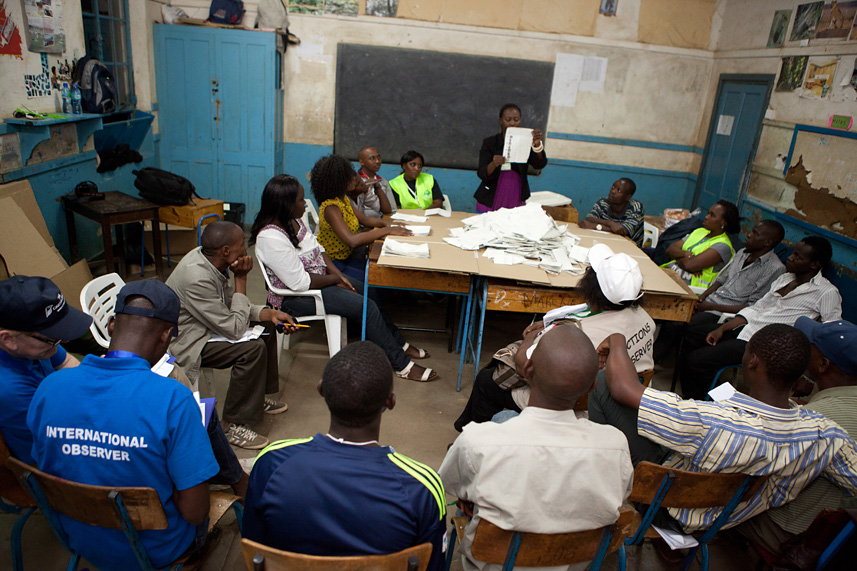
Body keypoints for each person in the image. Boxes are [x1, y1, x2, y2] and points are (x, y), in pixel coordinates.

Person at [588, 324, 857, 535]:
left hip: (667, 509)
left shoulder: (709, 421)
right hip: (724, 518)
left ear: (752, 361)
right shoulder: (825, 434)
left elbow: (623, 388)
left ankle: (598, 480)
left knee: (602, 382)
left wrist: (617, 338)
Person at [27, 280, 222, 570]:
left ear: (110, 325)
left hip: (79, 539)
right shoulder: (172, 398)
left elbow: (47, 464)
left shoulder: (49, 387)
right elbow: (195, 512)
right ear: (166, 336)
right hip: (158, 550)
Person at [440, 325, 633, 571]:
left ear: (528, 370)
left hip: (496, 564)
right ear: (592, 386)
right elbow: (621, 495)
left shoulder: (477, 441)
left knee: (500, 426)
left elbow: (450, 486)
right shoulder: (615, 445)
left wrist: (474, 497)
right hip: (574, 563)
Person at [243, 341, 447, 570]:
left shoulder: (270, 463)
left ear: (321, 389)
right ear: (390, 402)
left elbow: (255, 549)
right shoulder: (423, 488)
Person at [251, 174, 438, 382]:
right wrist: (335, 280)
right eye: (300, 200)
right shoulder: (271, 237)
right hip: (297, 298)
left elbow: (318, 249)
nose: (305, 204)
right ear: (286, 204)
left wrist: (338, 275)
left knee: (371, 290)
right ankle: (402, 365)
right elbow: (299, 283)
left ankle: (398, 343)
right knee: (366, 306)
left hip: (317, 282)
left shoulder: (292, 221)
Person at [453, 243, 654, 431]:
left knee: (486, 381)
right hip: (620, 403)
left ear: (593, 288)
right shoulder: (645, 320)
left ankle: (471, 436)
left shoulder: (572, 334)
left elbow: (525, 366)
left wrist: (531, 336)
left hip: (573, 408)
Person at [167, 221, 298, 450]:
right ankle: (231, 425)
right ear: (225, 251)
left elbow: (228, 301)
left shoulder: (211, 260)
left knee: (266, 326)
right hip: (188, 340)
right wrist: (241, 279)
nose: (245, 250)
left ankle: (255, 400)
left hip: (206, 325)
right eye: (241, 245)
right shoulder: (196, 277)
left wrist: (267, 313)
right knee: (251, 350)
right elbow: (234, 328)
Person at [738, 317, 857, 555]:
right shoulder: (825, 407)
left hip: (792, 530)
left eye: (810, 347)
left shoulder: (815, 421)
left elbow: (756, 467)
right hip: (843, 537)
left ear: (823, 364)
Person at [679, 236, 841, 400]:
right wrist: (722, 328)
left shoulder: (826, 292)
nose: (790, 258)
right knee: (690, 333)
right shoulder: (785, 279)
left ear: (814, 264)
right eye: (793, 253)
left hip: (765, 345)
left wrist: (807, 374)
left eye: (797, 256)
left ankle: (700, 402)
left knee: (697, 361)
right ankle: (699, 390)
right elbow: (757, 309)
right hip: (747, 329)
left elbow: (830, 334)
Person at [653, 219, 786, 363]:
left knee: (680, 325)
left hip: (723, 312)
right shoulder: (743, 253)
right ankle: (661, 360)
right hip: (710, 302)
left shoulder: (774, 268)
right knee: (670, 315)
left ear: (767, 242)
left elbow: (752, 306)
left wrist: (710, 306)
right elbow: (721, 280)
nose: (748, 235)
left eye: (755, 233)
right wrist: (702, 297)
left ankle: (659, 363)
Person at [0, 276, 90, 464]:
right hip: (50, 466)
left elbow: (66, 362)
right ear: (8, 340)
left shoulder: (36, 346)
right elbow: (58, 448)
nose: (63, 342)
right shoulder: (9, 390)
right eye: (53, 337)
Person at [313, 154, 412, 282]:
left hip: (347, 257)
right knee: (376, 280)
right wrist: (386, 231)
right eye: (348, 177)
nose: (354, 179)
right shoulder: (331, 208)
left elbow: (366, 220)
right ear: (337, 182)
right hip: (334, 263)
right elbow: (352, 240)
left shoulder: (343, 200)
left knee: (380, 272)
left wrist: (389, 225)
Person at [474, 103, 548, 212]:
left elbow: (539, 165)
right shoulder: (490, 143)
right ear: (500, 120)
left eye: (516, 119)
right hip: (492, 194)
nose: (512, 123)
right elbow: (482, 173)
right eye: (508, 120)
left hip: (516, 191)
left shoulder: (526, 141)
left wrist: (536, 145)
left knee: (512, 224)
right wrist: (493, 164)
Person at [663, 200, 739, 288]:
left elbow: (689, 265)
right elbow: (670, 249)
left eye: (712, 215)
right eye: (708, 213)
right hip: (670, 274)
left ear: (723, 222)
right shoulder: (700, 231)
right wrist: (686, 254)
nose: (706, 217)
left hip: (688, 287)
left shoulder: (723, 246)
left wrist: (678, 257)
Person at [578, 178, 645, 247]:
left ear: (628, 197)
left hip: (629, 247)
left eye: (619, 191)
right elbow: (589, 218)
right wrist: (610, 223)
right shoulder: (603, 202)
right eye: (613, 188)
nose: (613, 191)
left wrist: (596, 226)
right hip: (607, 242)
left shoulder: (636, 207)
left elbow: (624, 230)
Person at [356, 146, 396, 217]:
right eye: (372, 158)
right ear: (361, 162)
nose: (377, 161)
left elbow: (392, 210)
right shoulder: (356, 182)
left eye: (379, 158)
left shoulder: (383, 181)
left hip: (382, 221)